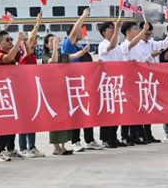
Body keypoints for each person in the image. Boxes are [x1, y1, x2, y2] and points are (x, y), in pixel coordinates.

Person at [128, 18, 168, 142]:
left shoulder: (152, 43)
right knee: (141, 107)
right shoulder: (136, 45)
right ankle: (140, 134)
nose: (149, 36)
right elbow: (138, 62)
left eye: (150, 34)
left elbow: (165, 44)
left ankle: (148, 134)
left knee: (149, 107)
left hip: (153, 79)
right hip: (140, 79)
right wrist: (150, 57)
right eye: (146, 33)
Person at [60, 8, 99, 151]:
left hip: (85, 83)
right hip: (73, 83)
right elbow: (73, 33)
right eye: (79, 30)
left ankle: (89, 140)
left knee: (87, 111)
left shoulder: (81, 47)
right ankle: (75, 141)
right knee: (76, 113)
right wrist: (83, 16)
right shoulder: (67, 45)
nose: (81, 32)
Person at [0, 29, 26, 161]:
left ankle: (11, 149)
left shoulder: (14, 52)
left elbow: (25, 55)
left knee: (13, 122)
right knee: (4, 123)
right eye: (8, 40)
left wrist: (24, 42)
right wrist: (18, 41)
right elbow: (9, 58)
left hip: (13, 92)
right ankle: (1, 151)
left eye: (11, 39)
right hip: (2, 93)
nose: (11, 41)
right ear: (0, 42)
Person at [18, 14, 46, 158]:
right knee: (24, 120)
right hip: (23, 91)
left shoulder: (34, 55)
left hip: (32, 89)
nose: (34, 41)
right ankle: (23, 148)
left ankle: (32, 146)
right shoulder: (25, 53)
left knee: (32, 118)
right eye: (32, 39)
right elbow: (29, 43)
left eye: (36, 39)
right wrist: (37, 24)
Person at [118, 20, 149, 144]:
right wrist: (144, 31)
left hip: (138, 81)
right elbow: (131, 44)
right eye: (135, 29)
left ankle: (135, 135)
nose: (137, 31)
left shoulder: (138, 47)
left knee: (137, 109)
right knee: (128, 110)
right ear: (128, 31)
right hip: (127, 81)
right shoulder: (124, 45)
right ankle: (125, 136)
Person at [42, 34, 72, 155]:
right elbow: (53, 61)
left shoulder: (62, 55)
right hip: (52, 93)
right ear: (46, 45)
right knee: (54, 120)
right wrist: (55, 47)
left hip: (63, 91)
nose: (54, 42)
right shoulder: (45, 57)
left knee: (64, 119)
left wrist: (84, 51)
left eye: (55, 40)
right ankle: (56, 147)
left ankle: (63, 146)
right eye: (51, 41)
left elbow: (72, 56)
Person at [97, 16, 124, 147]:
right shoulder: (102, 45)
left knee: (117, 110)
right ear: (104, 32)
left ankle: (114, 136)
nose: (113, 30)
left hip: (118, 80)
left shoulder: (118, 45)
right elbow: (111, 45)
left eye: (113, 28)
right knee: (108, 111)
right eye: (110, 28)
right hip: (107, 81)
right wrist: (118, 28)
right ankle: (106, 138)